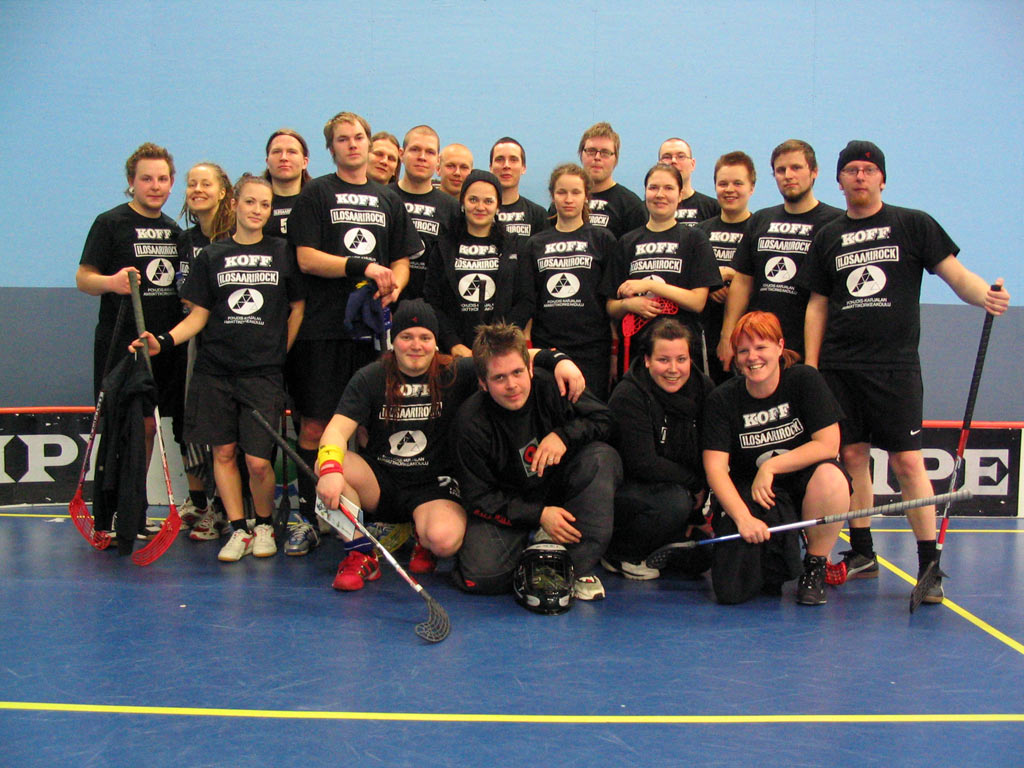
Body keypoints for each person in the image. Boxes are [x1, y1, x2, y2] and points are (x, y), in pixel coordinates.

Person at [803, 140, 1010, 602]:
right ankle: (862, 553)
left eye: (868, 170)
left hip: (894, 367)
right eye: (851, 170)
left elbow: (956, 274)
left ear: (882, 178)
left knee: (908, 462)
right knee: (852, 457)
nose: (860, 176)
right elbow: (817, 304)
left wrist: (984, 296)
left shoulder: (912, 224)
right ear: (839, 180)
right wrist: (813, 366)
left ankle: (928, 566)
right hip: (840, 366)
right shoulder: (828, 236)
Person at [315, 301, 585, 590]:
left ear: (435, 341)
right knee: (326, 465)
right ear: (394, 340)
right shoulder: (370, 377)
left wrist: (560, 361)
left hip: (433, 486)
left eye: (425, 337)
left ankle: (422, 536)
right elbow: (336, 430)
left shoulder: (454, 370)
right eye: (407, 337)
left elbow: (511, 358)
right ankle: (359, 554)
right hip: (381, 481)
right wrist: (330, 470)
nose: (416, 345)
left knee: (445, 541)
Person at [132, 174, 305, 562]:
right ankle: (239, 528)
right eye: (250, 202)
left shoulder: (282, 251)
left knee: (258, 462)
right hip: (214, 372)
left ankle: (264, 525)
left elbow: (297, 307)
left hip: (262, 374)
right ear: (235, 204)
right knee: (223, 453)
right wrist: (164, 341)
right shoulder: (212, 255)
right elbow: (198, 316)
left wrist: (280, 350)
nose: (257, 210)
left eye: (265, 204)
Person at [285, 111, 422, 556]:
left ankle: (369, 518)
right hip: (322, 331)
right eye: (342, 139)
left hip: (371, 334)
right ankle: (307, 519)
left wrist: (394, 285)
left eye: (358, 137)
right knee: (315, 425)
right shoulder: (315, 194)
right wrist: (362, 267)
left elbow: (401, 259)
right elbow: (306, 258)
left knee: (369, 427)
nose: (352, 144)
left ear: (369, 141)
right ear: (331, 149)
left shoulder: (388, 198)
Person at [453, 322, 620, 601]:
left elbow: (605, 420)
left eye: (518, 372)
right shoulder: (469, 424)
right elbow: (478, 498)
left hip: (562, 492)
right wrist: (538, 514)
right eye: (499, 378)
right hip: (511, 505)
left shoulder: (553, 385)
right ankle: (537, 550)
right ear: (482, 383)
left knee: (602, 457)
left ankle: (576, 565)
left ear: (530, 367)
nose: (512, 385)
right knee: (481, 576)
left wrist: (564, 436)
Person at [76, 142, 185, 540]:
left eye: (162, 179)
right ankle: (110, 515)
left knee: (148, 428)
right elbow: (84, 278)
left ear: (171, 183)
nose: (155, 186)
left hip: (159, 346)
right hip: (119, 346)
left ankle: (132, 513)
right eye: (146, 179)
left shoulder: (175, 231)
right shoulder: (110, 223)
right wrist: (112, 282)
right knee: (123, 428)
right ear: (131, 182)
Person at [703, 311, 850, 605]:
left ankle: (815, 564)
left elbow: (828, 444)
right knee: (732, 592)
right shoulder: (722, 399)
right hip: (756, 495)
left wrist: (771, 466)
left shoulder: (805, 379)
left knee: (832, 477)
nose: (752, 357)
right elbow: (716, 469)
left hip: (803, 484)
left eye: (761, 347)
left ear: (780, 346)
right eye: (743, 351)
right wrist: (743, 518)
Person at [717, 140, 843, 371]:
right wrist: (727, 335)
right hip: (758, 344)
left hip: (811, 347)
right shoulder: (760, 220)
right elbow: (743, 282)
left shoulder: (835, 223)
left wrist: (813, 360)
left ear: (814, 171)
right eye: (781, 170)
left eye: (796, 168)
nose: (788, 175)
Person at [604, 318, 713, 580]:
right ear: (647, 360)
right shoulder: (629, 395)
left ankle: (663, 539)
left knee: (703, 556)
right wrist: (694, 486)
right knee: (675, 503)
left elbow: (712, 448)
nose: (673, 369)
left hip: (680, 488)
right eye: (663, 360)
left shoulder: (704, 389)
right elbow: (643, 463)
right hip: (630, 491)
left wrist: (698, 511)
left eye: (681, 359)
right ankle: (619, 553)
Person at [606, 163, 721, 375]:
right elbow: (611, 306)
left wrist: (651, 286)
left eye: (668, 188)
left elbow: (697, 302)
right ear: (645, 193)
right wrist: (629, 304)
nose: (660, 194)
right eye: (653, 188)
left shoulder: (695, 239)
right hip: (638, 353)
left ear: (680, 195)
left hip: (683, 352)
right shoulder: (627, 242)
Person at [520, 163, 618, 400]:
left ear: (586, 196)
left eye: (576, 192)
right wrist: (527, 348)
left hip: (593, 348)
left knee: (591, 411)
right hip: (547, 347)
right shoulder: (535, 244)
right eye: (562, 192)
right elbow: (528, 303)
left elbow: (610, 300)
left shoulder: (603, 239)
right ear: (552, 195)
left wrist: (614, 354)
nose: (568, 199)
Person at [176, 162, 234, 537]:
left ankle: (228, 509)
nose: (198, 189)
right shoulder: (186, 239)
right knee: (196, 423)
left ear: (223, 191)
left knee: (229, 435)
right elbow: (185, 294)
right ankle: (203, 503)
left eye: (206, 183)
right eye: (192, 184)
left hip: (231, 345)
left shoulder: (235, 236)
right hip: (195, 343)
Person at [424, 169, 529, 357]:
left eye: (488, 201)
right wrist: (453, 343)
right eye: (473, 199)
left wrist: (502, 340)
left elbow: (525, 300)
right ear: (463, 202)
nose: (480, 207)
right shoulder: (444, 246)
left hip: (501, 350)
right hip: (454, 353)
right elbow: (432, 300)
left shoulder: (514, 246)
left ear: (498, 206)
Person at [698, 151, 757, 383]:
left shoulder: (760, 229)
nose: (729, 189)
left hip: (750, 335)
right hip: (706, 336)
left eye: (738, 183)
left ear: (751, 188)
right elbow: (689, 280)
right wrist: (711, 285)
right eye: (723, 184)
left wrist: (734, 281)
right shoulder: (699, 233)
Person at [393, 125, 460, 301]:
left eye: (429, 152)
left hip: (433, 306)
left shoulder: (452, 208)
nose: (422, 157)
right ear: (401, 154)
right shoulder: (383, 198)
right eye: (415, 149)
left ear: (438, 160)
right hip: (386, 302)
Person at [563, 121, 646, 239]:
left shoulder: (631, 205)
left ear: (616, 159)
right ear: (581, 154)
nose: (597, 157)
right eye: (591, 151)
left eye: (605, 153)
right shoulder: (564, 201)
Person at [489, 137, 548, 242]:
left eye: (513, 160)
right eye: (500, 159)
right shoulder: (478, 212)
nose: (506, 165)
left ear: (523, 168)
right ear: (491, 167)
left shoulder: (538, 215)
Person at [658, 138, 721, 225]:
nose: (673, 161)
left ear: (692, 164)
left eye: (681, 156)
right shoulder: (648, 209)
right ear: (659, 165)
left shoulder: (714, 208)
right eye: (667, 157)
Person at [262, 128, 312, 238]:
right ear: (267, 162)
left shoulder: (317, 200)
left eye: (291, 152)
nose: (283, 158)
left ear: (305, 162)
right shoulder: (256, 204)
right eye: (277, 152)